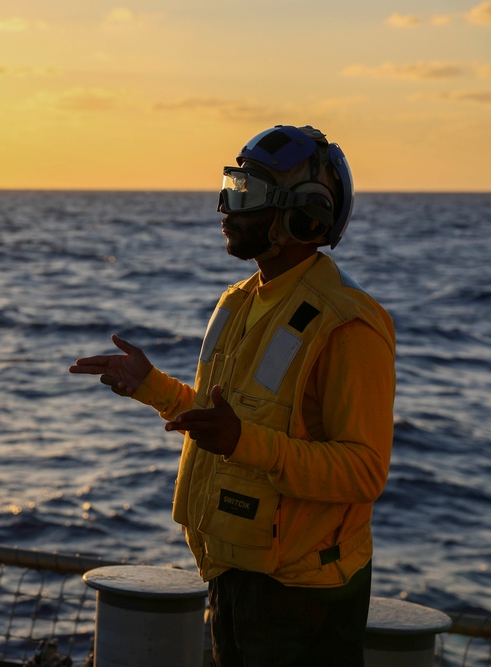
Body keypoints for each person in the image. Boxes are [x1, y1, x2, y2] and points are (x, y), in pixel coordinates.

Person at [69, 125, 396, 667]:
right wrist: (152, 387)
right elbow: (224, 421)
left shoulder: (348, 327)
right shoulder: (243, 302)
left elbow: (364, 472)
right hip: (234, 574)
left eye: (244, 195)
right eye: (229, 186)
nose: (225, 206)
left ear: (303, 215)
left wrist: (244, 442)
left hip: (302, 596)